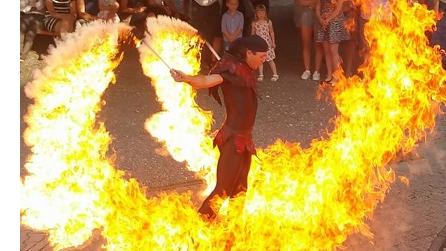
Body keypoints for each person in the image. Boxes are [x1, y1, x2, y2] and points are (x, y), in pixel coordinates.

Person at [170, 35, 268, 219]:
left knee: (240, 191)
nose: (264, 60)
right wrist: (186, 78)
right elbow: (206, 81)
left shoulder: (245, 69)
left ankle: (232, 231)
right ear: (249, 53)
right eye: (262, 56)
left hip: (245, 140)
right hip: (233, 140)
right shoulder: (230, 73)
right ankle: (199, 230)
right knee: (222, 190)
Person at [315, 0, 350, 84]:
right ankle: (329, 75)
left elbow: (338, 10)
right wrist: (320, 19)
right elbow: (318, 7)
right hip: (323, 21)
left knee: (333, 51)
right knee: (326, 50)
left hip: (335, 21)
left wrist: (328, 19)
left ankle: (337, 77)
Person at [295, 0, 323, 81]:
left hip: (321, 14)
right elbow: (301, 2)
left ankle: (317, 71)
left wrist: (311, 3)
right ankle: (307, 70)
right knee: (306, 43)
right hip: (307, 13)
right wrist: (315, 2)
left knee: (318, 44)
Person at [251, 4, 278, 81]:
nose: (261, 14)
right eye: (259, 13)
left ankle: (275, 74)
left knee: (270, 60)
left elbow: (272, 32)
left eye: (263, 12)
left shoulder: (268, 22)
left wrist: (273, 42)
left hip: (268, 44)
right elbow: (252, 34)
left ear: (265, 13)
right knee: (260, 60)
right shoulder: (254, 23)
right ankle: (261, 74)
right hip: (259, 44)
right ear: (256, 13)